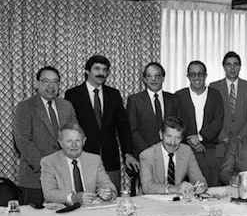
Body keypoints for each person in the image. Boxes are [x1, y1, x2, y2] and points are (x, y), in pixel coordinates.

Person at [65, 55, 138, 192]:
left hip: (110, 159)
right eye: (97, 69)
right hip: (83, 156)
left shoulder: (114, 94)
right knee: (86, 200)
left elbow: (123, 126)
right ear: (87, 71)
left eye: (105, 70)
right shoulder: (73, 95)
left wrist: (127, 153)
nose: (101, 73)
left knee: (112, 198)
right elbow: (70, 128)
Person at [13, 66, 77, 206]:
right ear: (37, 84)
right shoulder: (24, 107)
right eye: (46, 81)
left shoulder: (67, 106)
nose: (51, 86)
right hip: (34, 179)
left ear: (59, 85)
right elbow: (23, 141)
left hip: (64, 179)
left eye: (55, 82)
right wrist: (47, 168)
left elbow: (74, 137)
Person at [41, 123, 117, 204]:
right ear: (61, 143)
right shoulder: (49, 162)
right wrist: (73, 198)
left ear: (84, 141)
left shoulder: (94, 160)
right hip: (63, 211)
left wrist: (109, 193)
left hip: (89, 211)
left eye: (77, 140)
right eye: (69, 141)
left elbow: (109, 186)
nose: (74, 145)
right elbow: (48, 193)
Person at [175, 60, 224, 186]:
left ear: (205, 75)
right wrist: (190, 139)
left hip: (208, 149)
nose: (197, 77)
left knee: (209, 187)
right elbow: (177, 122)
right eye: (193, 74)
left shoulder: (215, 95)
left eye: (200, 74)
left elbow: (218, 120)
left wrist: (200, 137)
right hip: (184, 149)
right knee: (186, 189)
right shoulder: (179, 96)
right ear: (188, 76)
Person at [209, 51, 247, 179]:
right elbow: (210, 116)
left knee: (240, 180)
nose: (232, 67)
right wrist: (223, 136)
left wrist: (240, 137)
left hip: (242, 144)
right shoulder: (213, 87)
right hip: (220, 144)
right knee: (218, 179)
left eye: (235, 64)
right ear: (223, 67)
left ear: (240, 67)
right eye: (228, 64)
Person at [140, 116, 208, 194]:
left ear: (182, 138)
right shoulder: (147, 155)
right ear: (161, 135)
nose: (173, 142)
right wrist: (173, 189)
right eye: (169, 136)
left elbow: (197, 177)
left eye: (177, 138)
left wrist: (201, 185)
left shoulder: (186, 151)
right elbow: (147, 187)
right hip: (154, 201)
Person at [127, 62, 180, 157]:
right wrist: (148, 152)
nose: (153, 79)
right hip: (144, 154)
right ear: (144, 79)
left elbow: (178, 127)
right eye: (149, 76)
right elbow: (132, 130)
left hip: (170, 154)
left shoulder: (174, 99)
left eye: (157, 75)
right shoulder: (134, 100)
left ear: (163, 78)